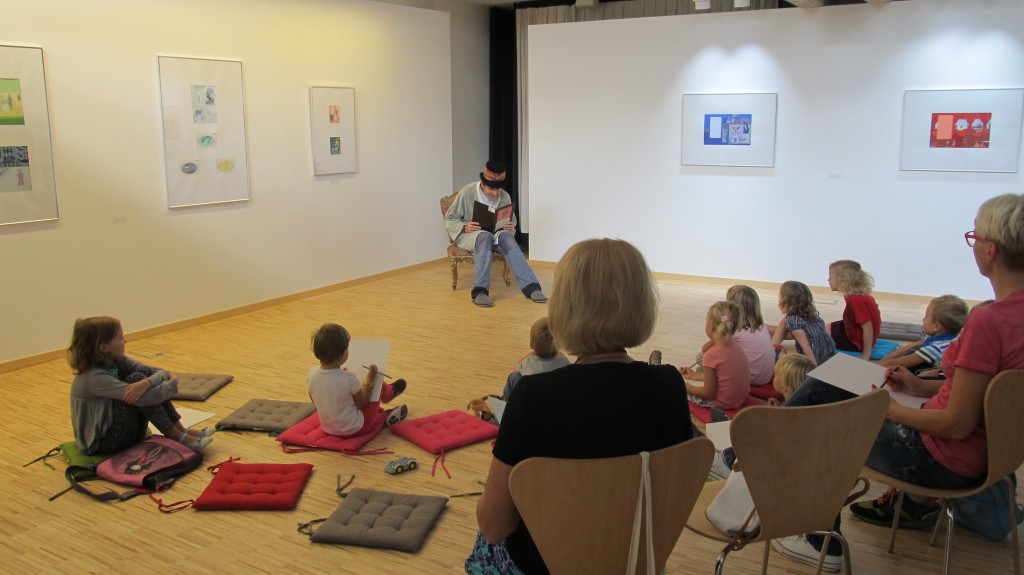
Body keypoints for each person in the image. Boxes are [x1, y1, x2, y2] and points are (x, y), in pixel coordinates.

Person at [773, 193, 1024, 572]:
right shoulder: (1011, 316)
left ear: (992, 250)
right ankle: (755, 449)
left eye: (974, 238)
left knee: (824, 425)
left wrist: (888, 410)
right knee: (833, 379)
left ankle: (819, 542)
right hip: (992, 453)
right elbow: (992, 394)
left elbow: (956, 423)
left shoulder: (990, 321)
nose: (972, 246)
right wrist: (922, 388)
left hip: (941, 457)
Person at [466, 238, 694, 575]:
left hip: (547, 564)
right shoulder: (670, 385)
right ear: (641, 303)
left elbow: (494, 525)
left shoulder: (532, 396)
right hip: (634, 556)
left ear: (564, 306)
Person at [68, 316, 212, 455]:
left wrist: (147, 382)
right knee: (136, 379)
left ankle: (180, 429)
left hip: (126, 432)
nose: (125, 340)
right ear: (103, 347)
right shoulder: (93, 378)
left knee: (141, 376)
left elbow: (156, 372)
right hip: (103, 444)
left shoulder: (116, 360)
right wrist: (171, 384)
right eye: (120, 337)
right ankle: (174, 435)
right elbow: (148, 398)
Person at [444, 160, 547, 307]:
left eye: (498, 189)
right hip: (471, 235)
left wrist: (510, 226)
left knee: (507, 238)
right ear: (482, 183)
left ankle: (531, 287)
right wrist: (464, 226)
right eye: (491, 189)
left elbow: (511, 219)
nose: (495, 193)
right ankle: (480, 291)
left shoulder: (504, 196)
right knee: (485, 236)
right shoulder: (467, 192)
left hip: (496, 233)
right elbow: (450, 217)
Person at [709, 352, 817, 479]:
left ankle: (726, 460)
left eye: (776, 375)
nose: (773, 376)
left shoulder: (784, 418)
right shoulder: (805, 410)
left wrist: (769, 415)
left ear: (784, 386)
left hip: (756, 460)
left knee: (747, 426)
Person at [307, 323, 408, 437]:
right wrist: (370, 378)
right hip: (356, 428)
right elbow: (362, 403)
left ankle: (389, 393)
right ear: (340, 354)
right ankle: (390, 392)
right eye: (347, 348)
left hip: (328, 428)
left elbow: (315, 400)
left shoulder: (311, 374)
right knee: (376, 383)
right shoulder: (348, 378)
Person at [467, 317, 569, 422]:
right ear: (560, 344)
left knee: (512, 382)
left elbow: (516, 368)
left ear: (531, 344)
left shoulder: (522, 370)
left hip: (523, 420)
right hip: (556, 419)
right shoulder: (566, 364)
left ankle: (489, 415)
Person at [679, 301, 751, 410]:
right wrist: (694, 376)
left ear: (711, 326)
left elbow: (708, 393)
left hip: (722, 403)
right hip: (738, 400)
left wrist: (687, 387)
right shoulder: (738, 347)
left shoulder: (711, 355)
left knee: (676, 390)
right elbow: (720, 378)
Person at [877, 294, 968, 372]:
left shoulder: (937, 348)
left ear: (936, 326)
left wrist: (874, 367)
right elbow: (909, 347)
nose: (923, 319)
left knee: (912, 352)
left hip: (927, 380)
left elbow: (894, 363)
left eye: (926, 316)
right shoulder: (953, 338)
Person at [769, 280, 836, 366]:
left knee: (777, 353)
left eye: (780, 296)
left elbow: (806, 345)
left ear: (786, 301)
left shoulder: (793, 320)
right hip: (829, 355)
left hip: (816, 359)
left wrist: (814, 367)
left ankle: (770, 348)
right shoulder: (815, 317)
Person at [828, 259, 882, 360]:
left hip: (855, 342)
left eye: (831, 277)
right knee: (823, 327)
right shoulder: (854, 296)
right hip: (850, 327)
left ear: (843, 280)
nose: (828, 280)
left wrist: (866, 355)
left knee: (819, 334)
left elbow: (868, 329)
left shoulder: (856, 301)